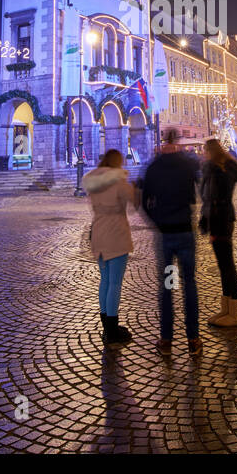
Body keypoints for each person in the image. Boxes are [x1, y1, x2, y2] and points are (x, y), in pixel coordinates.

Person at [137, 129, 202, 357]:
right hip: (185, 230)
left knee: (168, 285)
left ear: (163, 141)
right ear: (178, 141)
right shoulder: (187, 164)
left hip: (166, 235)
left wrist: (158, 221)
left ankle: (166, 340)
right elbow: (199, 188)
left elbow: (144, 202)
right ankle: (193, 338)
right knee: (189, 284)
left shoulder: (154, 167)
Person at [83, 149, 136, 348]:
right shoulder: (118, 182)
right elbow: (134, 201)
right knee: (115, 283)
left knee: (104, 281)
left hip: (98, 232)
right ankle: (113, 329)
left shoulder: (93, 182)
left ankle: (107, 324)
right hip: (116, 235)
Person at [200, 138, 237, 327]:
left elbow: (214, 198)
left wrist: (209, 221)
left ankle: (235, 314)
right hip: (220, 218)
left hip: (221, 219)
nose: (204, 154)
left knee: (227, 266)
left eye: (205, 151)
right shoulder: (219, 170)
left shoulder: (220, 171)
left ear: (212, 152)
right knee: (224, 266)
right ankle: (227, 309)